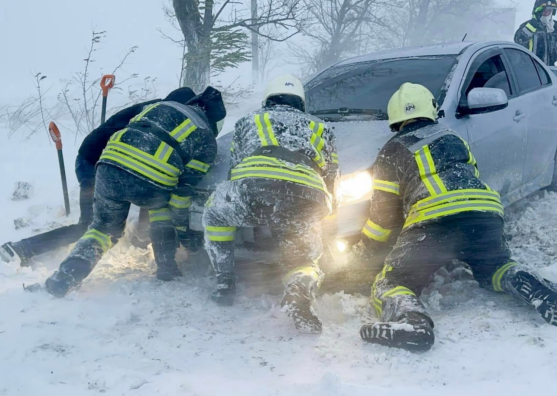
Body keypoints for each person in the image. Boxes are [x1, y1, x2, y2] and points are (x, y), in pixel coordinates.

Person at [350, 83, 557, 352]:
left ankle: (412, 323)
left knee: (393, 282)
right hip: (485, 214)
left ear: (395, 117)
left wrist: (364, 250)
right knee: (494, 267)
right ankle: (526, 282)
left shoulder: (392, 150)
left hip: (434, 223)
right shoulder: (453, 137)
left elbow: (383, 219)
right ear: (430, 109)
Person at [44, 86, 226, 297]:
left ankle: (67, 276)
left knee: (103, 229)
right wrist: (184, 232)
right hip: (150, 181)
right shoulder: (206, 139)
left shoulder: (157, 107)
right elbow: (181, 195)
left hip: (107, 168)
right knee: (161, 208)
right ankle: (167, 267)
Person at [203, 75, 340, 333]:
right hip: (306, 195)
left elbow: (236, 168)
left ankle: (224, 281)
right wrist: (326, 219)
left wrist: (249, 204)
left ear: (267, 100)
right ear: (300, 102)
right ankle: (299, 290)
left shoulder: (249, 121)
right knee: (304, 258)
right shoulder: (323, 127)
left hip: (254, 187)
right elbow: (332, 179)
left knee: (215, 214)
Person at [0, 88, 197, 266]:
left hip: (117, 165)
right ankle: (21, 248)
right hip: (94, 164)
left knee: (150, 187)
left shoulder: (159, 112)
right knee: (90, 226)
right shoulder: (158, 116)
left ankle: (140, 238)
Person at [515, 0, 557, 81]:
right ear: (537, 11)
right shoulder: (528, 26)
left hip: (550, 75)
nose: (546, 13)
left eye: (549, 11)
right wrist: (533, 25)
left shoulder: (556, 27)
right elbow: (519, 40)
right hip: (530, 73)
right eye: (544, 10)